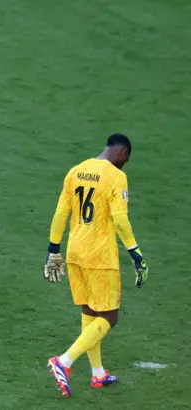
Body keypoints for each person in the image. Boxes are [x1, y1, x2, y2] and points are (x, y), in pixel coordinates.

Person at [43, 133, 150, 397]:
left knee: (90, 311)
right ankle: (64, 361)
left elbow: (60, 212)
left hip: (74, 253)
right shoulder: (116, 176)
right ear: (123, 153)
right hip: (100, 257)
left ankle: (97, 373)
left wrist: (52, 250)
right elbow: (120, 220)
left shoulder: (76, 170)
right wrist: (135, 253)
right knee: (109, 317)